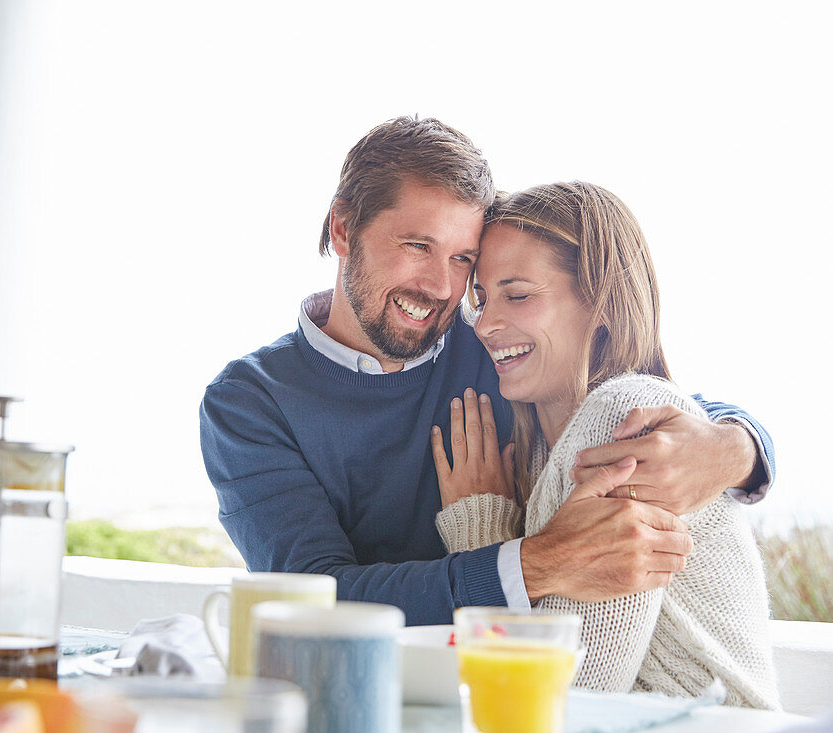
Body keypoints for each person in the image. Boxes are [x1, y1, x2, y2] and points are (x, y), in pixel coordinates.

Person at [199, 117, 774, 626]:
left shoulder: (498, 354)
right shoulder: (249, 403)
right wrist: (540, 563)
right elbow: (317, 598)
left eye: (462, 259)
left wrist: (736, 447)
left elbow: (633, 392)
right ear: (345, 230)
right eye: (418, 245)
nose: (442, 288)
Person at [432, 182, 777, 708]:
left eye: (518, 295)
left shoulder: (624, 418)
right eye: (481, 300)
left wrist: (479, 531)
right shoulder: (542, 456)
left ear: (605, 305)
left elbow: (558, 697)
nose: (485, 323)